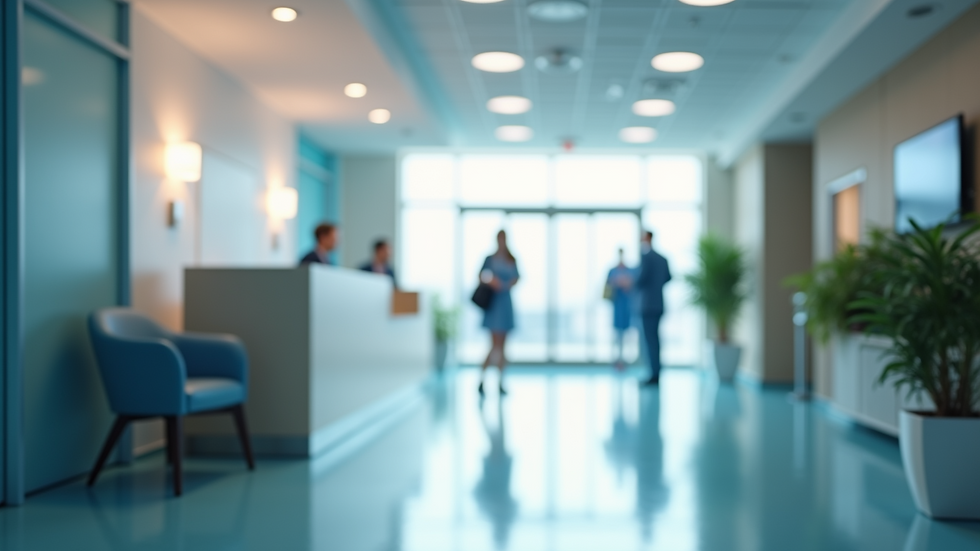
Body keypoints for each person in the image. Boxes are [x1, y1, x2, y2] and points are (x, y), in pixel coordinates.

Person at [479, 230, 519, 396]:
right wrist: (492, 281)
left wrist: (507, 284)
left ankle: (501, 381)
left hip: (505, 304)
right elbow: (481, 276)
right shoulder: (489, 259)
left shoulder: (511, 258)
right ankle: (482, 380)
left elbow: (517, 278)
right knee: (493, 346)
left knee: (503, 347)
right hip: (494, 305)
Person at [635, 230, 671, 386]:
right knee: (655, 340)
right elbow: (668, 278)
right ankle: (656, 372)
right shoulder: (663, 258)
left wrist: (630, 282)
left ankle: (654, 375)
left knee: (650, 341)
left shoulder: (646, 257)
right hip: (659, 303)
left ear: (647, 237)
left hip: (647, 305)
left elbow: (641, 279)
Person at [606, 248, 635, 368]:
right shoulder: (612, 271)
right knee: (617, 334)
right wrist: (616, 283)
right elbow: (608, 287)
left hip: (627, 306)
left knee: (627, 334)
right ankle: (616, 360)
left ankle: (624, 360)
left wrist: (627, 284)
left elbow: (634, 286)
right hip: (617, 306)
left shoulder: (629, 271)